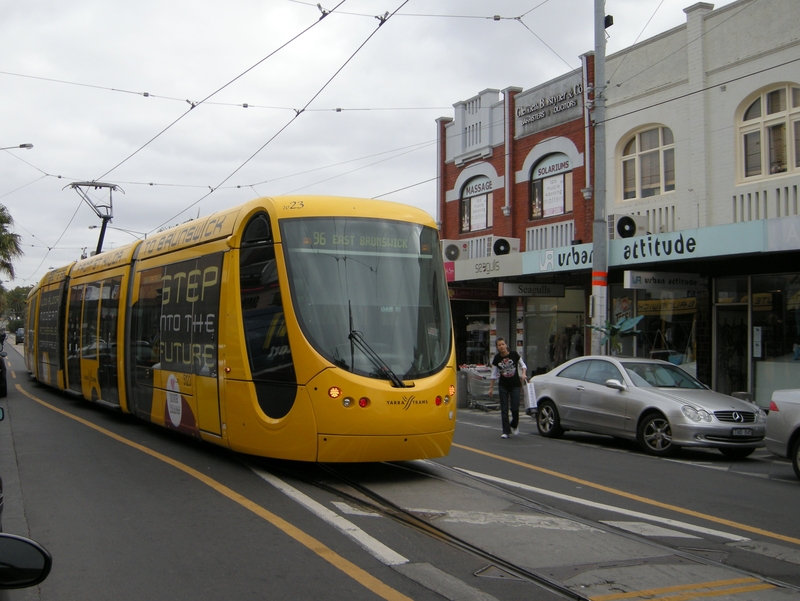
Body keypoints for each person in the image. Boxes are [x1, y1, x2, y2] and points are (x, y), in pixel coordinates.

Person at [487, 337, 527, 439]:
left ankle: (514, 424)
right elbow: (494, 374)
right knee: (504, 409)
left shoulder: (514, 354)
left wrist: (523, 374)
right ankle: (506, 431)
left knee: (515, 407)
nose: (501, 347)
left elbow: (523, 366)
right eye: (499, 345)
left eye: (503, 344)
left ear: (506, 345)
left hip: (515, 385)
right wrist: (491, 388)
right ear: (497, 347)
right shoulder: (496, 358)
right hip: (503, 385)